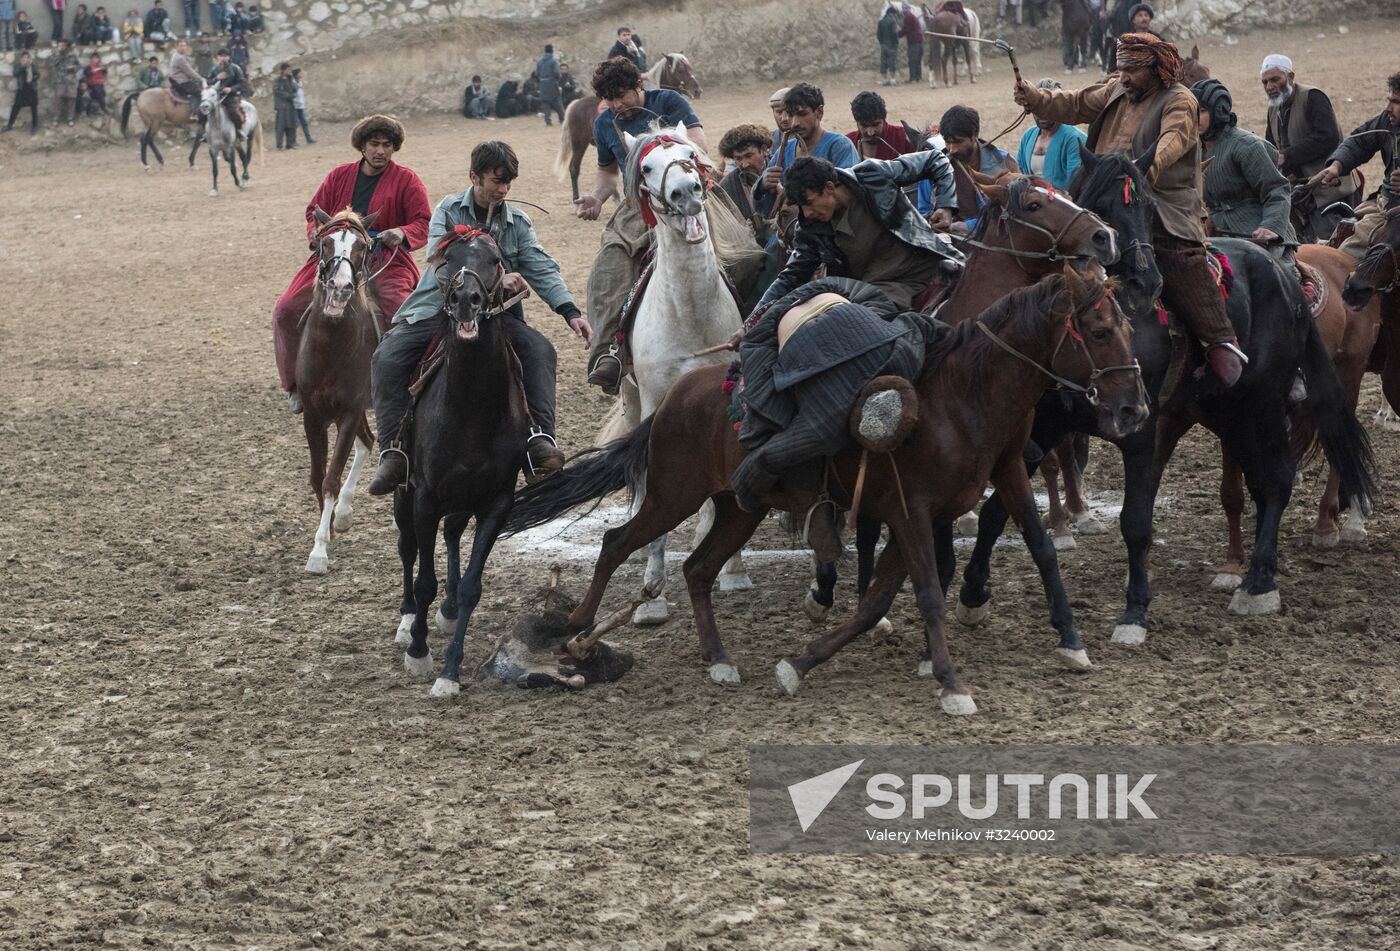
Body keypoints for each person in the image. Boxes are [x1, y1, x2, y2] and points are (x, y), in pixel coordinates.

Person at [729, 152, 962, 513]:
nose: (805, 215)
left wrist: (946, 206)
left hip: (930, 261)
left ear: (829, 187)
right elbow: (790, 276)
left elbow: (934, 159)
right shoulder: (810, 229)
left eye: (808, 204)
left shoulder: (873, 173)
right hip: (876, 291)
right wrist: (753, 322)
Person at [1014, 31, 1246, 386]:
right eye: (1120, 68)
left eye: (1132, 70)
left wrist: (1140, 171)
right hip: (1103, 201)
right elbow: (1074, 102)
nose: (1123, 76)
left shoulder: (1179, 100)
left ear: (1156, 69)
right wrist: (1035, 97)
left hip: (1159, 201)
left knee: (1177, 258)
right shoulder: (1116, 90)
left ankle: (1220, 339)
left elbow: (1174, 140)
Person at [367, 140, 587, 492]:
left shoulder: (517, 222)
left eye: (508, 183)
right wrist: (499, 279)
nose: (503, 190)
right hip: (439, 310)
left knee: (541, 351)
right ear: (474, 177)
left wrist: (569, 311)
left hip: (498, 317)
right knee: (387, 357)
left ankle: (538, 440)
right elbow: (439, 267)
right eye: (496, 181)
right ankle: (394, 453)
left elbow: (539, 266)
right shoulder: (449, 210)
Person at [272, 114, 431, 415]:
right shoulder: (338, 176)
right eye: (374, 144)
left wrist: (402, 232)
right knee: (286, 308)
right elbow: (313, 212)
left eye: (387, 145)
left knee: (402, 312)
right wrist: (317, 236)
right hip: (336, 257)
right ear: (362, 146)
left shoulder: (407, 180)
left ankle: (407, 380)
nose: (380, 151)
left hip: (384, 257)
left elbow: (423, 221)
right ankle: (294, 384)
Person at [574, 55, 708, 393]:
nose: (618, 104)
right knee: (607, 269)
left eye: (623, 95)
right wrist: (596, 197)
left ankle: (753, 337)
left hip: (686, 195)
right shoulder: (606, 124)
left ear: (639, 86)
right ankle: (609, 352)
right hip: (639, 205)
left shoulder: (670, 101)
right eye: (610, 99)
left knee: (744, 253)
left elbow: (698, 143)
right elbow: (607, 172)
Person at [1192, 79, 1295, 256]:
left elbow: (1277, 189)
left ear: (1218, 112)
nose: (1194, 118)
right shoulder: (1193, 150)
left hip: (1258, 234)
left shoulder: (1246, 146)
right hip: (1216, 235)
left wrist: (1269, 226)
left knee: (1271, 279)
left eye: (1201, 111)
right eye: (1189, 112)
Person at [1261, 54, 1354, 242]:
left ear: (1290, 77)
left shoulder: (1312, 97)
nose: (1269, 86)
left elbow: (1327, 136)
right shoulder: (1273, 109)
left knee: (1329, 245)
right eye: (1265, 82)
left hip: (1328, 191)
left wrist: (1287, 157)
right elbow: (1272, 148)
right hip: (1297, 192)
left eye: (1274, 79)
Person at [1311, 71, 1400, 262]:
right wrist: (1337, 166)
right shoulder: (1387, 123)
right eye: (1389, 100)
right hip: (1384, 203)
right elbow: (1358, 142)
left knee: (1348, 251)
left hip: (1396, 215)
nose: (1388, 108)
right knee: (1341, 232)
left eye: (1396, 102)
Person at [938, 103, 1019, 232]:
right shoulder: (937, 167)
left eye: (958, 142)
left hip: (997, 242)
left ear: (975, 135)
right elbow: (924, 211)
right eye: (948, 142)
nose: (952, 149)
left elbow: (1018, 214)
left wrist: (968, 226)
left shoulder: (1005, 163)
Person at [1015, 79, 1087, 190]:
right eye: (1038, 108)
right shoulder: (1028, 136)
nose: (1043, 114)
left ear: (1059, 108)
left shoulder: (1074, 139)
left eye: (1048, 108)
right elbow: (1019, 172)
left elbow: (1076, 183)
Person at [718, 122, 773, 236]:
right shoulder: (727, 187)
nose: (744, 164)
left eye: (749, 156)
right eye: (738, 158)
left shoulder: (781, 168)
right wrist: (740, 230)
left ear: (763, 150)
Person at [847, 89, 914, 160]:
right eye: (864, 126)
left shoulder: (903, 137)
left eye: (875, 125)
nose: (870, 132)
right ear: (857, 123)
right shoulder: (847, 144)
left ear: (884, 120)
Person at [206, 45, 244, 132]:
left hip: (232, 96)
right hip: (216, 96)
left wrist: (231, 89)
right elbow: (209, 82)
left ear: (229, 57)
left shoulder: (236, 68)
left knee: (233, 112)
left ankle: (239, 131)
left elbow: (241, 83)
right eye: (221, 56)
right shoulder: (214, 69)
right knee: (204, 110)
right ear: (217, 57)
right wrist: (217, 78)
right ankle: (204, 132)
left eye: (225, 56)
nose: (223, 58)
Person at [4, 51, 39, 134]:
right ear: (21, 59)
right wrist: (23, 66)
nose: (26, 59)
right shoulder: (18, 66)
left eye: (27, 57)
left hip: (31, 90)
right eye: (24, 58)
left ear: (30, 58)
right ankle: (9, 125)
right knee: (15, 108)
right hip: (21, 90)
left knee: (34, 108)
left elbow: (38, 75)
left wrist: (32, 76)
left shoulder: (33, 66)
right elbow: (15, 73)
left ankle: (34, 126)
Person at [168, 37, 203, 116]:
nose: (183, 47)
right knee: (198, 92)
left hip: (179, 79)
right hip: (181, 81)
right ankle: (194, 113)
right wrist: (202, 79)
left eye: (184, 46)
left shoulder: (179, 55)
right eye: (181, 46)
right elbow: (190, 72)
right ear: (177, 47)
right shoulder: (179, 58)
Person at [51, 40, 79, 126]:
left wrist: (73, 68)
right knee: (58, 100)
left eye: (63, 45)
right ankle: (56, 118)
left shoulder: (72, 55)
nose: (62, 47)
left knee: (71, 100)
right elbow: (52, 64)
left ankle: (70, 118)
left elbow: (78, 66)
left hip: (70, 81)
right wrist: (59, 54)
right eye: (60, 45)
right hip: (60, 81)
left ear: (67, 46)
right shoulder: (55, 55)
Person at [536, 43, 564, 127]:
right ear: (552, 50)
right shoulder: (553, 61)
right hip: (552, 83)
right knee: (557, 101)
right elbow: (556, 73)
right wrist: (558, 79)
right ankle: (562, 119)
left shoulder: (539, 62)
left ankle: (548, 121)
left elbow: (537, 73)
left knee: (545, 103)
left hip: (542, 84)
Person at [273, 61, 297, 149]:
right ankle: (279, 145)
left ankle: (290, 143)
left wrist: (292, 95)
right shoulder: (278, 81)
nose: (289, 71)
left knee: (291, 125)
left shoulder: (290, 79)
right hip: (281, 106)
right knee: (281, 126)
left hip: (290, 106)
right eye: (288, 70)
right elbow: (277, 91)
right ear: (283, 70)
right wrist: (287, 96)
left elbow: (295, 89)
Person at [899, 1, 923, 83]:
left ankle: (913, 78)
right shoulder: (912, 16)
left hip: (913, 41)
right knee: (918, 60)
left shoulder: (908, 17)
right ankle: (918, 77)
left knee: (912, 59)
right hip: (919, 40)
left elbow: (906, 29)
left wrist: (897, 35)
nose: (903, 10)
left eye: (903, 8)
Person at [877, 2, 899, 87]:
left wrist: (881, 42)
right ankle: (893, 80)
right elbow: (894, 33)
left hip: (883, 44)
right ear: (892, 13)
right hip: (892, 45)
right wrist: (896, 42)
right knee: (891, 62)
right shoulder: (893, 21)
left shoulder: (881, 21)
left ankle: (885, 79)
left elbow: (878, 34)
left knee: (883, 62)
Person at [292, 68, 314, 143]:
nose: (302, 74)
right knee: (295, 125)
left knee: (304, 123)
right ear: (296, 75)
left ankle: (309, 139)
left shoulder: (300, 82)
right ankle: (293, 141)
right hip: (295, 107)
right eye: (300, 73)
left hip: (300, 106)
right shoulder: (293, 83)